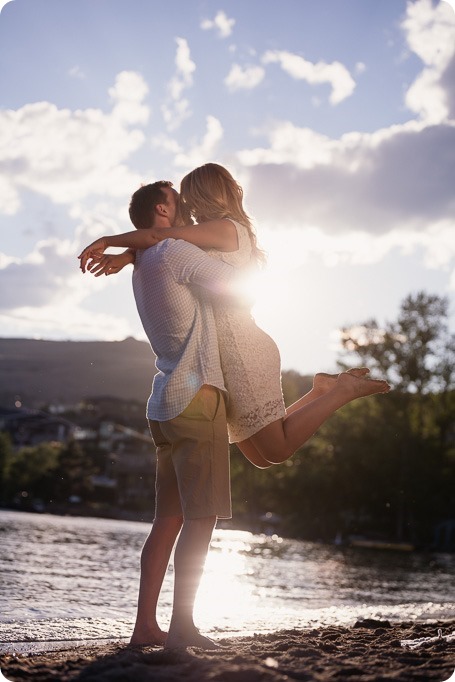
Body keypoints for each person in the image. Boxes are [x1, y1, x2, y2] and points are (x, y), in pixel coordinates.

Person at [79, 164, 390, 471]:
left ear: (203, 195)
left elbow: (159, 236)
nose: (185, 205)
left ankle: (341, 391)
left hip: (241, 348)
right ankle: (319, 391)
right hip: (225, 359)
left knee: (277, 450)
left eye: (188, 197)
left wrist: (109, 241)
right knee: (260, 457)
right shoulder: (205, 234)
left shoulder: (225, 228)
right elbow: (164, 246)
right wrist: (127, 256)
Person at [86, 180, 245, 650]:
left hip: (163, 404)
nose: (189, 213)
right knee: (203, 517)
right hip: (197, 399)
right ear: (161, 209)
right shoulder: (173, 251)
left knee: (168, 520)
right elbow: (232, 287)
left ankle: (144, 630)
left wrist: (125, 252)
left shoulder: (144, 264)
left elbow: (151, 249)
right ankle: (182, 629)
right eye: (178, 204)